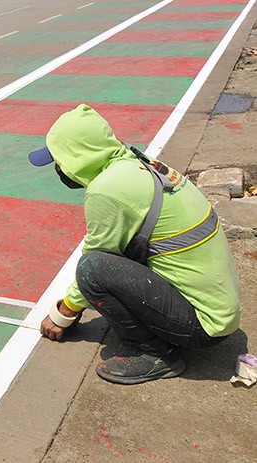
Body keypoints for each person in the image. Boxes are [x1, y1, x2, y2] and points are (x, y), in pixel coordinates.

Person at [28, 103, 241, 385]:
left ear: (77, 156)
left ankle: (155, 354)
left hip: (204, 325)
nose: (57, 167)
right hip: (220, 307)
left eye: (60, 159)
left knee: (92, 269)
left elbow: (98, 258)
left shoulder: (107, 189)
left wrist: (64, 312)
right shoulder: (136, 162)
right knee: (117, 256)